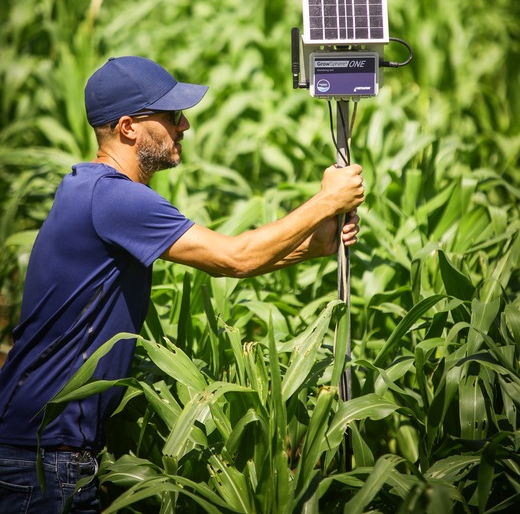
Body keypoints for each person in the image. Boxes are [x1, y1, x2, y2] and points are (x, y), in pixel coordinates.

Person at [0, 55, 364, 513]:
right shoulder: (114, 197)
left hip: (46, 451)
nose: (185, 125)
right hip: (41, 458)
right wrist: (326, 200)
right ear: (129, 128)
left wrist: (314, 246)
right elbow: (234, 258)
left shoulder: (94, 192)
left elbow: (235, 261)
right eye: (171, 116)